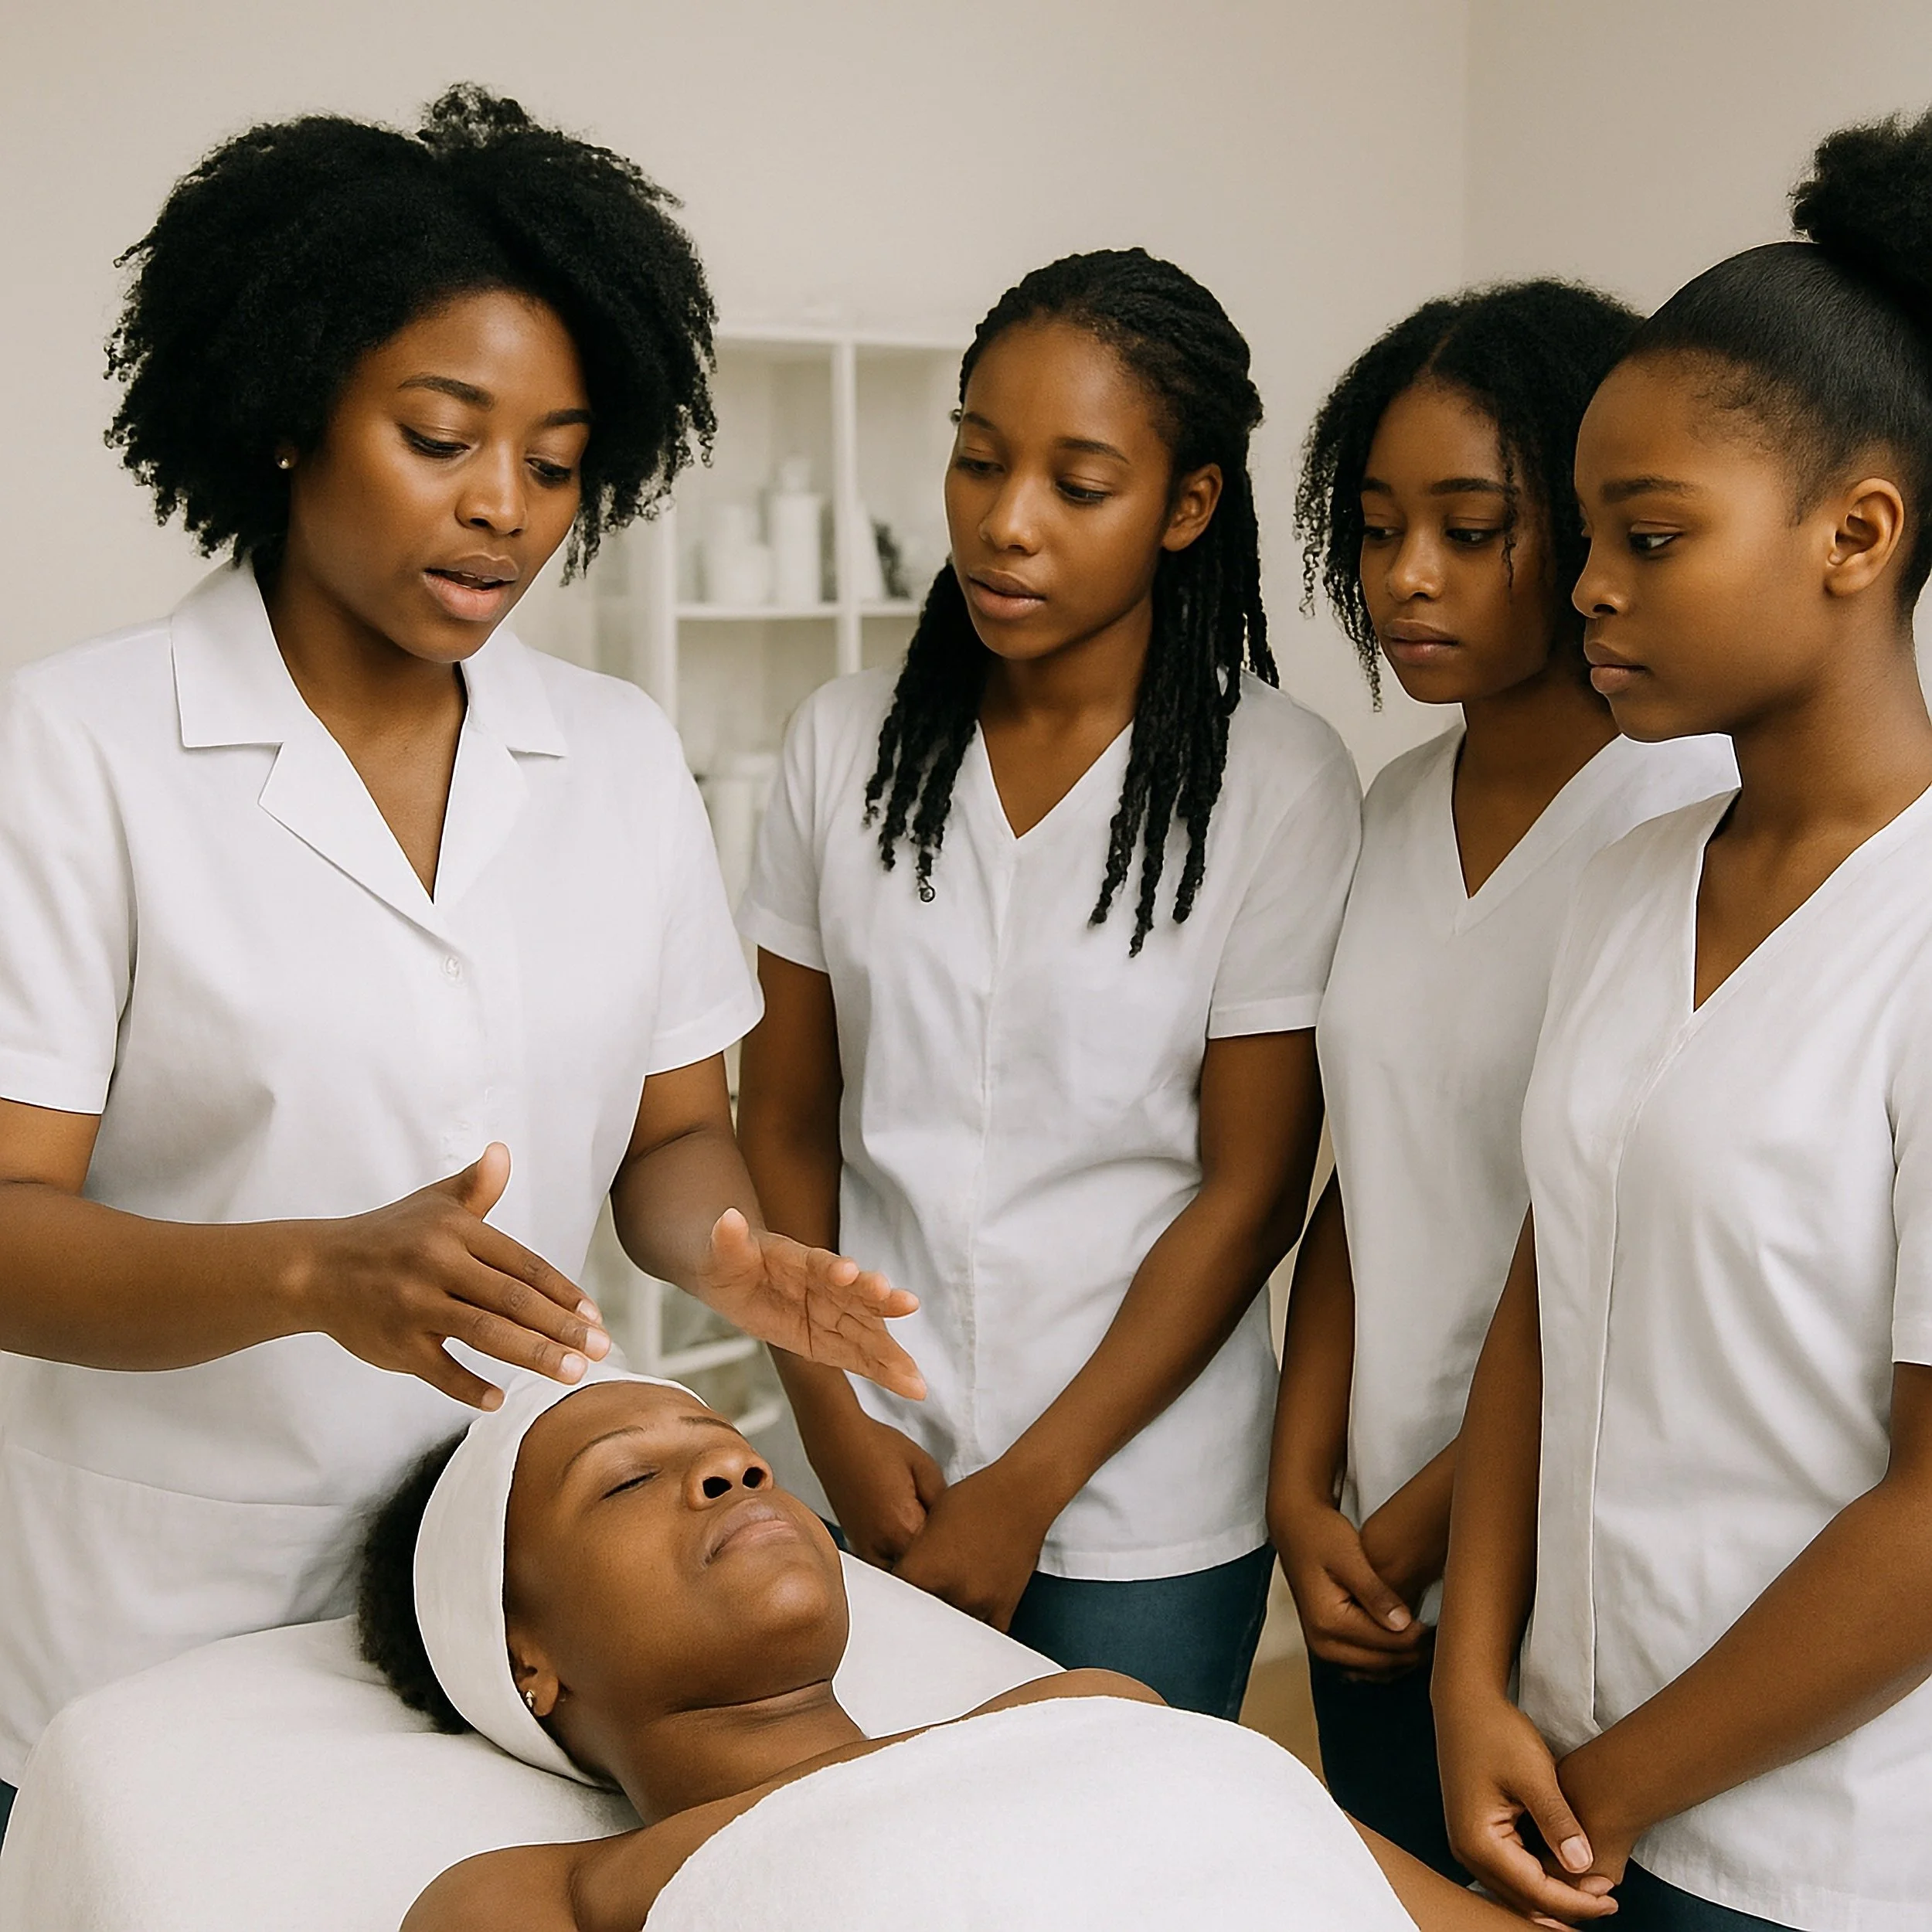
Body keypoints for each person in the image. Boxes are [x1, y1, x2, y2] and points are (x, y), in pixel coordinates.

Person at [0, 87, 919, 1841]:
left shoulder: (614, 749)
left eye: (557, 462)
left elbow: (665, 1138)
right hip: (158, 1604)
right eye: (441, 436)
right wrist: (310, 1274)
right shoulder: (79, 748)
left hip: (505, 1602)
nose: (503, 508)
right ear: (287, 417)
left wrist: (735, 1256)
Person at [734, 249, 1361, 1716]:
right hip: (870, 1456)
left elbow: (1253, 1187)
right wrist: (825, 1409)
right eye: (975, 462)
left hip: (1142, 1506)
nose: (1005, 526)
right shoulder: (844, 744)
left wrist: (1031, 1484)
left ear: (1185, 507)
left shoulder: (1275, 781)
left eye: (1078, 488)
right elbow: (783, 1120)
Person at [1434, 110, 1932, 1930]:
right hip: (1545, 1769)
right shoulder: (1635, 872)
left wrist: (1607, 1784)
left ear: (1853, 534)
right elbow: (1539, 1291)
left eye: (1648, 537)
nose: (1583, 589)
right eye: (1586, 536)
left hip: (1794, 1850)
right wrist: (1466, 1678)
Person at [1269, 282, 1735, 1876]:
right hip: (1363, 1550)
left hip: (1552, 1550)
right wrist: (1300, 1481)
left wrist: (1411, 1529)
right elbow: (1367, 1164)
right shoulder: (1390, 804)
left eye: (1470, 529)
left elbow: (1613, 1245)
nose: (1405, 576)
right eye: (1378, 524)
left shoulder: (1687, 815)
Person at [361, 1371, 1522, 1930]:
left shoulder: (1084, 1705)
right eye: (624, 1480)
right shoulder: (542, 1898)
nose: (737, 1468)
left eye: (732, 1450)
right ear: (526, 1661)